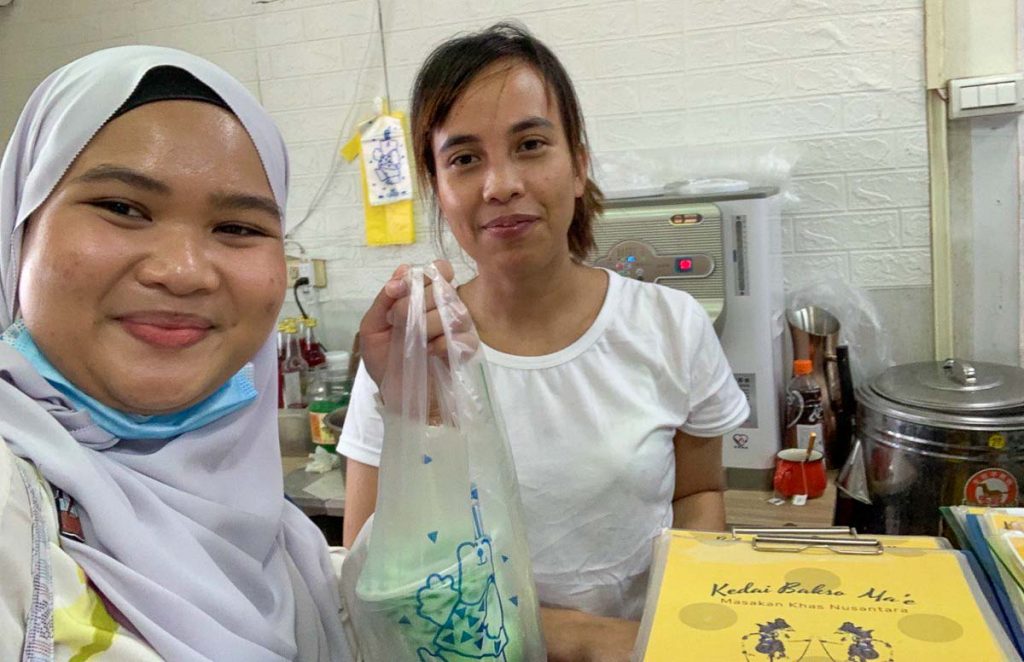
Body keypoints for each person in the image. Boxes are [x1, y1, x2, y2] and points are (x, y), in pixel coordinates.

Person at [339, 22, 750, 660]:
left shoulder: (671, 325)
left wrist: (685, 626)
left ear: (579, 165)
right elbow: (375, 563)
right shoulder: (415, 350)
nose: (500, 183)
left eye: (530, 144)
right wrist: (576, 637)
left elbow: (699, 494)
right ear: (438, 190)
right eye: (464, 158)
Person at [0, 47, 351, 660]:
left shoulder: (275, 540)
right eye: (122, 208)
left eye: (238, 228)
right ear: (19, 230)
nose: (184, 273)